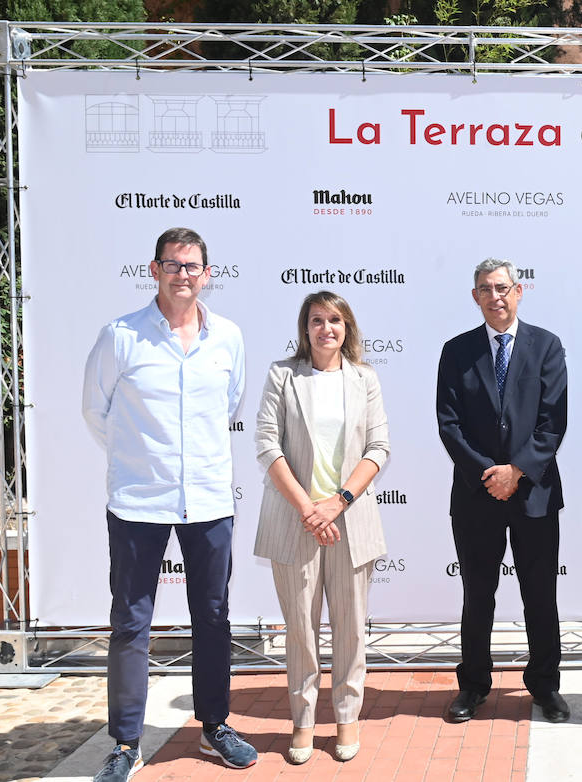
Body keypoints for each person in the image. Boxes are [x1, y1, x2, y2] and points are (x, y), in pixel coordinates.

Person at [81, 227, 257, 782]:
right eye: (173, 264)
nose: (183, 274)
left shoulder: (228, 338)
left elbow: (231, 403)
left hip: (207, 499)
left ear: (208, 275)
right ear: (153, 270)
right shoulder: (121, 336)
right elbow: (96, 412)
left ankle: (215, 726)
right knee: (131, 623)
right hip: (138, 501)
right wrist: (142, 461)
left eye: (193, 266)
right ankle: (125, 742)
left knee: (213, 618)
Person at [254, 291, 391, 764]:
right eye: (317, 320)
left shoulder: (365, 379)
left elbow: (379, 449)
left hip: (350, 520)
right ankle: (303, 722)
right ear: (304, 328)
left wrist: (337, 503)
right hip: (295, 522)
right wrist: (309, 509)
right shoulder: (283, 376)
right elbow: (268, 447)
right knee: (300, 632)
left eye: (335, 319)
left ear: (347, 327)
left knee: (351, 630)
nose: (326, 328)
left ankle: (348, 718)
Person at [436, 258, 570, 724]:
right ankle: (473, 685)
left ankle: (545, 686)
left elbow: (553, 422)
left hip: (533, 494)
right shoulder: (456, 351)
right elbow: (449, 425)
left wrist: (517, 471)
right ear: (475, 296)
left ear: (518, 291)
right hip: (476, 497)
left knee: (540, 595)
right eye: (485, 289)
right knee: (478, 595)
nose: (495, 296)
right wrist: (488, 473)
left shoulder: (546, 346)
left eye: (502, 288)